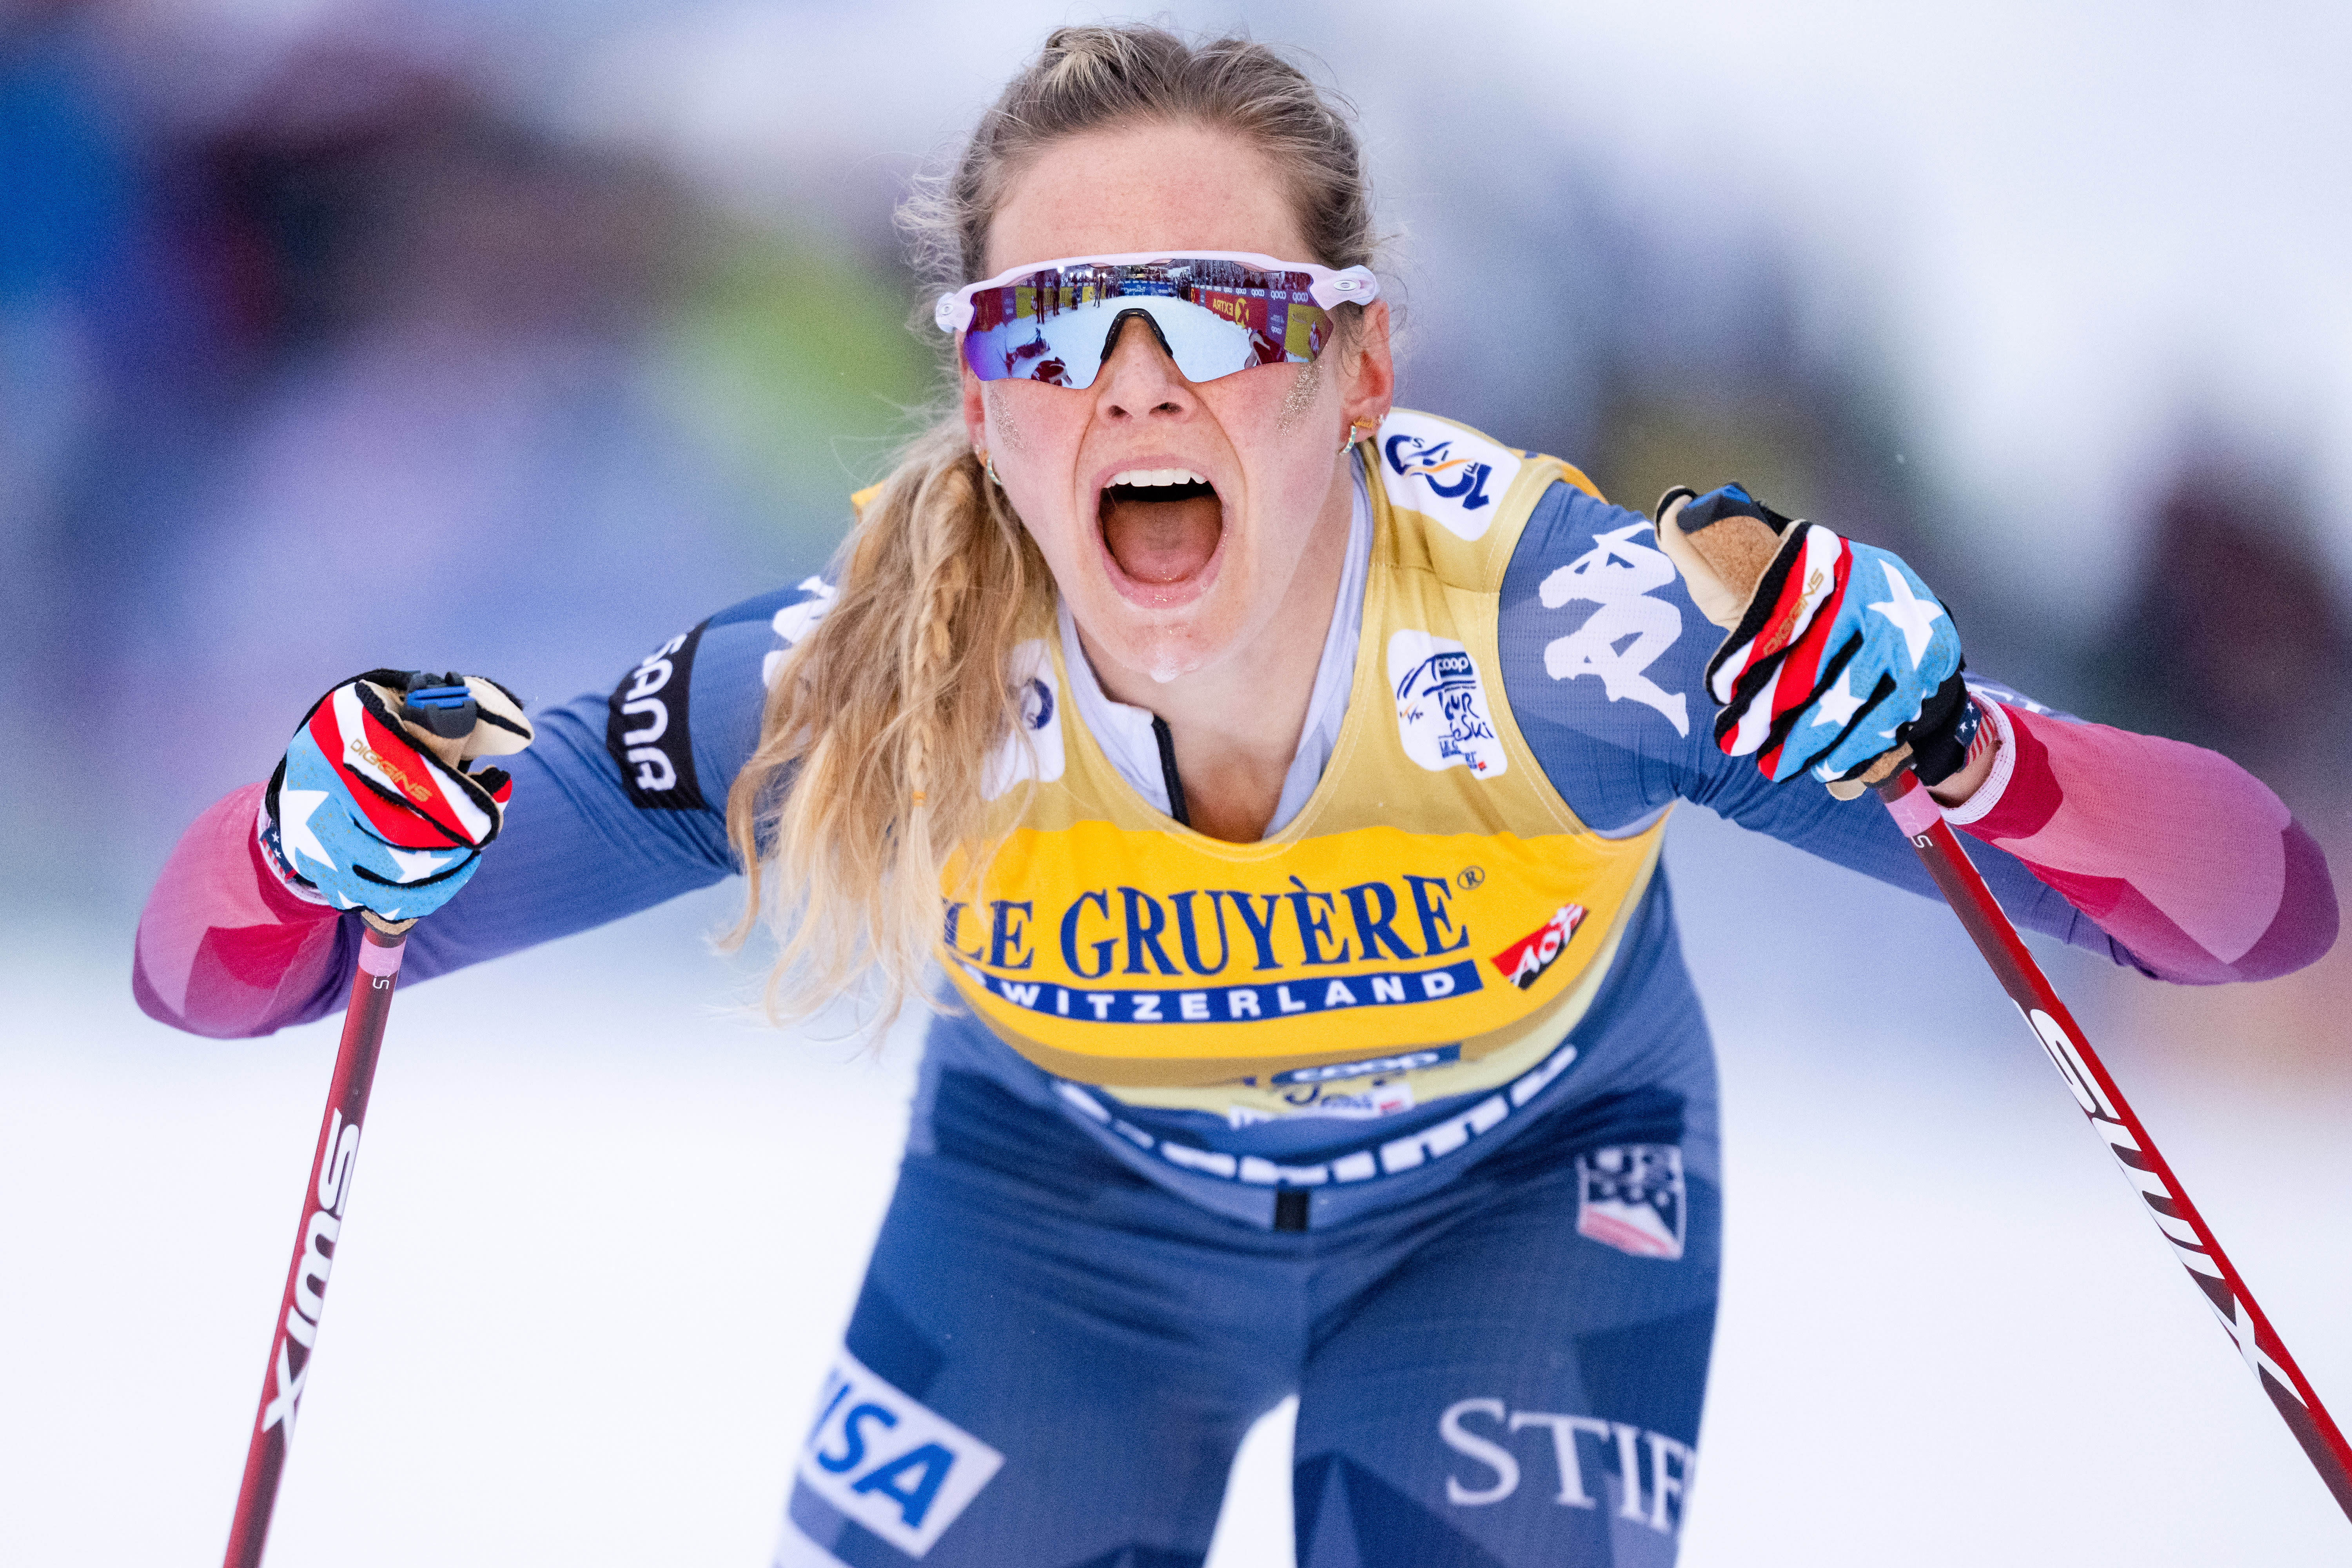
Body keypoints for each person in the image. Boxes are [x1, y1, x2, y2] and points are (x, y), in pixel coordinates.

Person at [133, 26, 2337, 1568]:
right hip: (1065, 1227)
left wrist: (1967, 748)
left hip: (1516, 1206)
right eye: (1050, 329)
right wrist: (316, 833)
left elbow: (2254, 910)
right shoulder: (879, 682)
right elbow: (227, 970)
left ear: (1360, 368)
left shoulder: (1561, 641)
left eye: (1216, 316)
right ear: (978, 402)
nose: (1133, 388)